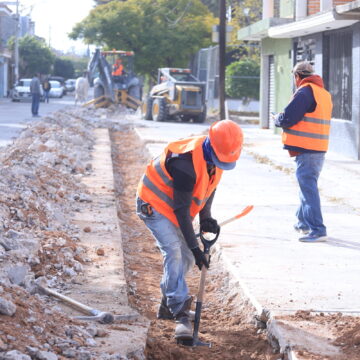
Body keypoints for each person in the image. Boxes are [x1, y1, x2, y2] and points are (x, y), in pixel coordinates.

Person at [136, 120, 243, 340]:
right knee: (175, 250)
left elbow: (210, 185)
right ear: (211, 146)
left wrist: (206, 217)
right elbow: (182, 211)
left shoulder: (216, 156)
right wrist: (195, 248)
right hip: (153, 204)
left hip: (174, 206)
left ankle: (167, 305)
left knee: (183, 255)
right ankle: (180, 312)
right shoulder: (184, 163)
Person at [274, 61, 333, 243]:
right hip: (318, 148)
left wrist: (277, 119)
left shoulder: (305, 91)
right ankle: (302, 223)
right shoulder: (323, 93)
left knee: (308, 187)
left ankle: (317, 229)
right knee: (306, 185)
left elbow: (289, 117)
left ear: (297, 76)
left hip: (307, 149)